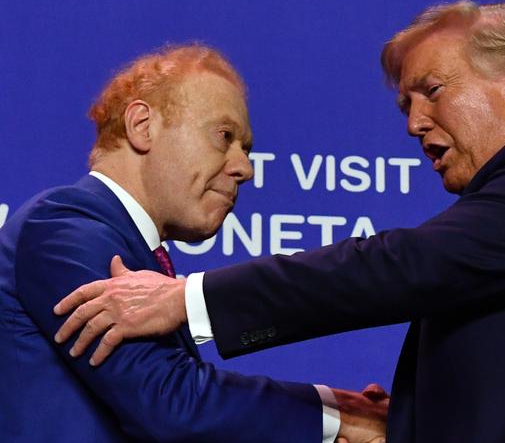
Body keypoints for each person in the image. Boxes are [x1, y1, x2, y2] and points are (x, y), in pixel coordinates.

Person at [55, 0, 505, 442]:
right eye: (405, 105)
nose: (415, 123)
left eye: (433, 91)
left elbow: (407, 265)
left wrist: (190, 299)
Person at [0, 44, 388, 442]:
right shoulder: (61, 229)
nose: (245, 168)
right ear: (142, 126)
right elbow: (171, 401)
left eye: (246, 148)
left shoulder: (137, 257)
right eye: (224, 136)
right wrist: (337, 412)